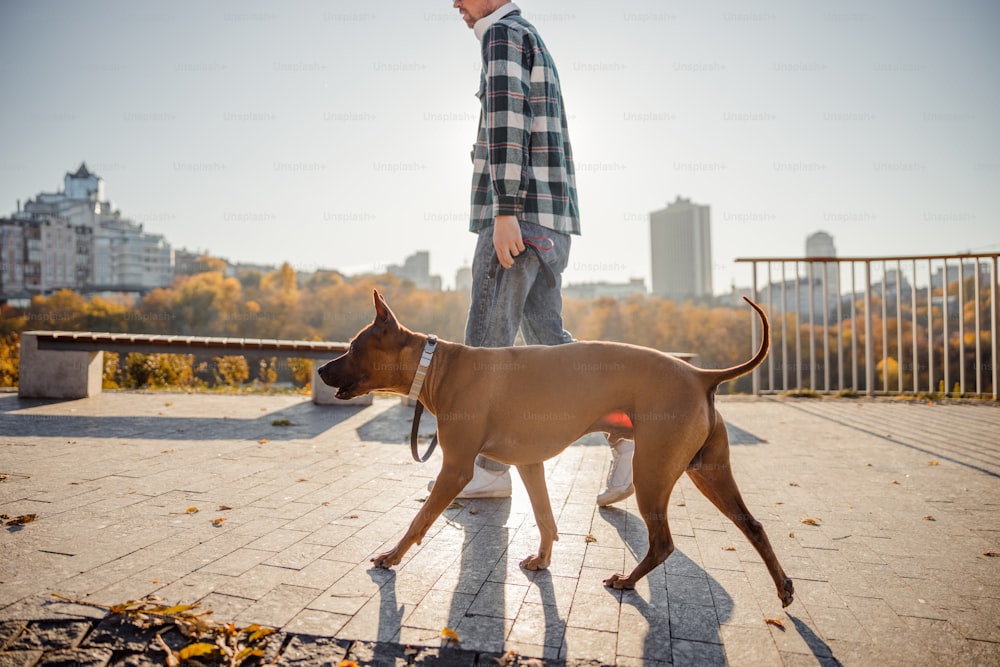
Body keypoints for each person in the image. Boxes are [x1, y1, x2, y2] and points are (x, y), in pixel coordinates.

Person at [445, 0, 634, 506]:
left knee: (485, 346)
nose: (455, 5)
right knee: (552, 349)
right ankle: (628, 431)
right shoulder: (531, 38)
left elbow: (508, 126)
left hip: (518, 217)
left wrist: (504, 209)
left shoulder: (503, 36)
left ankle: (484, 471)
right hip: (550, 220)